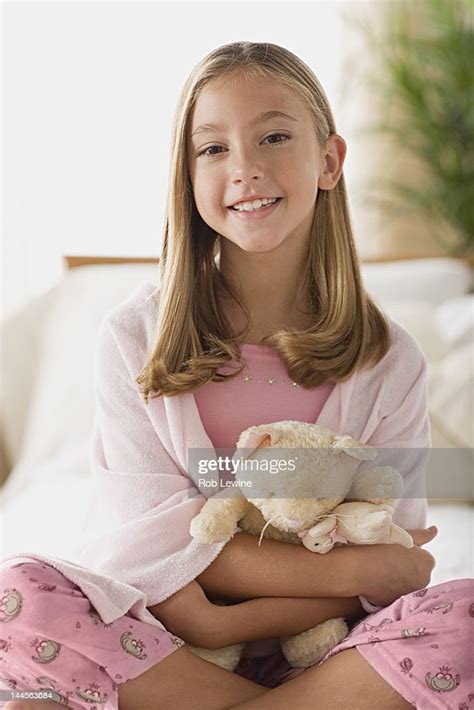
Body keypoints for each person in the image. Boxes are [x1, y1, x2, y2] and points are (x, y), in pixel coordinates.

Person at [1, 41, 472, 710]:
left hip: (328, 654)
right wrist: (219, 621)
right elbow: (145, 545)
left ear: (330, 161)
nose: (245, 168)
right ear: (187, 179)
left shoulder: (387, 361)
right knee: (17, 595)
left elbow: (391, 564)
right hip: (163, 648)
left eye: (274, 136)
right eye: (213, 149)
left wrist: (236, 605)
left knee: (467, 619)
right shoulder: (134, 339)